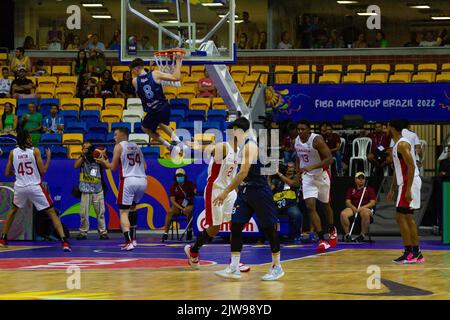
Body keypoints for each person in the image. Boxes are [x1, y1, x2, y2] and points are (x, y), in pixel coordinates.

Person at [214, 117, 285, 281]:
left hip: (259, 191)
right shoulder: (241, 147)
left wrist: (225, 192)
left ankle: (277, 266)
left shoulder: (250, 146)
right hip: (246, 191)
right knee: (236, 225)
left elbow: (243, 172)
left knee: (268, 228)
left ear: (238, 129)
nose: (230, 133)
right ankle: (234, 267)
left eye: (232, 129)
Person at [0, 130, 71, 251]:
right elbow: (43, 171)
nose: (31, 139)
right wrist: (48, 158)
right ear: (26, 139)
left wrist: (17, 172)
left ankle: (3, 238)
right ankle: (64, 241)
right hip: (34, 186)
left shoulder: (12, 152)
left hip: (20, 187)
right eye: (29, 138)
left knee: (12, 211)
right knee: (51, 212)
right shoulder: (35, 151)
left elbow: (7, 173)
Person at [183, 133, 239, 266]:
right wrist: (194, 145)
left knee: (236, 225)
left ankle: (235, 261)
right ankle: (194, 250)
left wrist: (235, 191)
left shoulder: (239, 152)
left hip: (229, 192)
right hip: (215, 190)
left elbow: (233, 176)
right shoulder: (225, 147)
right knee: (214, 229)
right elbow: (211, 149)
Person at [96, 127, 147, 251]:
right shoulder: (136, 146)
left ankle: (128, 241)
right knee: (133, 207)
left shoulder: (119, 146)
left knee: (123, 212)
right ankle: (134, 240)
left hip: (128, 180)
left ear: (122, 136)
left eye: (115, 135)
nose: (114, 137)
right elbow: (145, 166)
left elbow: (113, 167)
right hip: (142, 180)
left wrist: (103, 162)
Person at [130, 57, 188, 157]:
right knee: (160, 123)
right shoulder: (155, 74)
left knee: (145, 128)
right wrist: (178, 62)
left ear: (135, 68)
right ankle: (178, 142)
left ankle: (169, 146)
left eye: (132, 70)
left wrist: (150, 68)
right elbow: (176, 77)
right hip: (163, 107)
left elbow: (144, 86)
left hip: (153, 110)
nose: (132, 72)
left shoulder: (134, 81)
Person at [294, 120, 337, 253]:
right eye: (298, 129)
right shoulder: (296, 140)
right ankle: (321, 239)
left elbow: (329, 159)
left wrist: (311, 167)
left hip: (322, 175)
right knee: (310, 207)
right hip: (308, 177)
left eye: (303, 129)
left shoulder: (316, 140)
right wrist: (298, 172)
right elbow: (298, 157)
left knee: (325, 205)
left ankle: (331, 229)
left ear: (309, 129)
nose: (300, 132)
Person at [387, 119, 424, 264]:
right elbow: (398, 169)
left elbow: (412, 167)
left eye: (387, 126)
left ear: (392, 128)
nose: (386, 128)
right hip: (404, 183)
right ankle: (413, 252)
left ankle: (413, 252)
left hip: (410, 182)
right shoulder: (397, 145)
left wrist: (408, 189)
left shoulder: (402, 144)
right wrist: (392, 188)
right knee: (403, 217)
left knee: (404, 217)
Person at [74, 142, 109, 240]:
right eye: (83, 148)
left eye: (87, 148)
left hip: (97, 189)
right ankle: (83, 232)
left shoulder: (98, 156)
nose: (85, 149)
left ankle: (103, 232)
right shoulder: (82, 158)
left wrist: (100, 160)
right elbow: (76, 166)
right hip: (85, 189)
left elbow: (106, 166)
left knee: (100, 212)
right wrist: (83, 155)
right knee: (83, 213)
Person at [269, 162, 303, 242]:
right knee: (267, 214)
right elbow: (269, 189)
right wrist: (269, 177)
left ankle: (296, 236)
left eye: (292, 168)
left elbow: (292, 183)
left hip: (290, 205)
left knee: (296, 214)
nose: (290, 170)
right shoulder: (276, 179)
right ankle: (270, 237)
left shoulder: (296, 177)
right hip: (277, 204)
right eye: (288, 167)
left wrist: (279, 174)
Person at [340, 172, 376, 242]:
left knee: (365, 213)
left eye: (363, 178)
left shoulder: (369, 189)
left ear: (365, 180)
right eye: (359, 178)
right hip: (353, 208)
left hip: (365, 208)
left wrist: (362, 208)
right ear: (355, 180)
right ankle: (347, 235)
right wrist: (353, 208)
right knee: (343, 214)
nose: (361, 180)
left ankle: (362, 235)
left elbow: (372, 203)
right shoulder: (351, 189)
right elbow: (347, 202)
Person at [162, 168, 196, 242]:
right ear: (175, 177)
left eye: (181, 175)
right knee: (170, 212)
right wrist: (181, 208)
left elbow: (196, 192)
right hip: (177, 206)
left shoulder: (190, 184)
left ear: (184, 176)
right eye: (178, 176)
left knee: (188, 210)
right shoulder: (173, 186)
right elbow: (172, 200)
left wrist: (195, 192)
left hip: (189, 204)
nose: (179, 177)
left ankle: (189, 231)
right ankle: (165, 233)